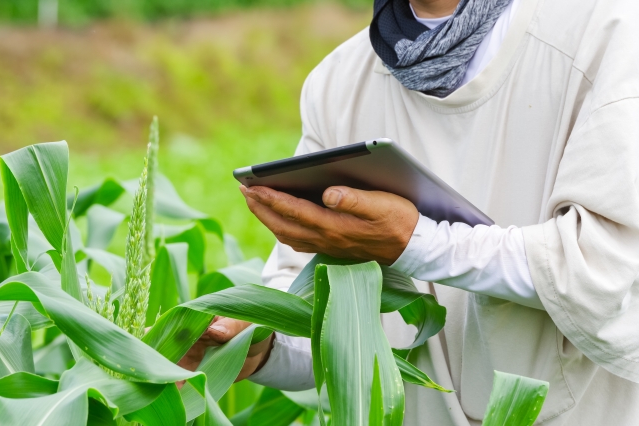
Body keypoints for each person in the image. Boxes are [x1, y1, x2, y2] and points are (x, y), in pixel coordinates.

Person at [180, 0, 639, 423]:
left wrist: (411, 242)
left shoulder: (606, 30)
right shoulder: (339, 82)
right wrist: (261, 342)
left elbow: (599, 271)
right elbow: (323, 314)